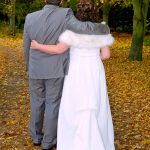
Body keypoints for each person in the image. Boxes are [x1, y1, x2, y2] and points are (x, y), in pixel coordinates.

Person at [23, 0, 110, 149]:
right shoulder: (68, 15)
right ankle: (48, 141)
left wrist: (29, 64)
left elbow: (29, 45)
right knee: (53, 104)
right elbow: (103, 51)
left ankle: (36, 137)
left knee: (37, 102)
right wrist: (101, 32)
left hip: (39, 68)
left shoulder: (30, 17)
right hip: (66, 69)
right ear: (61, 1)